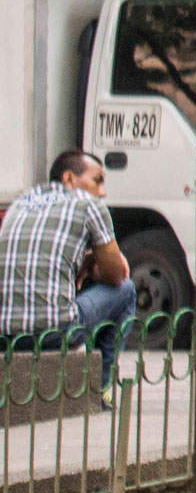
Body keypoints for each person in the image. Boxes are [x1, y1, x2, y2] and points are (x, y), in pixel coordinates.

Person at [0, 150, 136, 406]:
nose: (103, 192)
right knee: (127, 290)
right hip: (53, 334)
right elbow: (116, 275)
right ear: (70, 179)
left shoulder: (20, 203)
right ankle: (102, 387)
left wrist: (85, 261)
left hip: (6, 334)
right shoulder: (88, 206)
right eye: (98, 180)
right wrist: (96, 264)